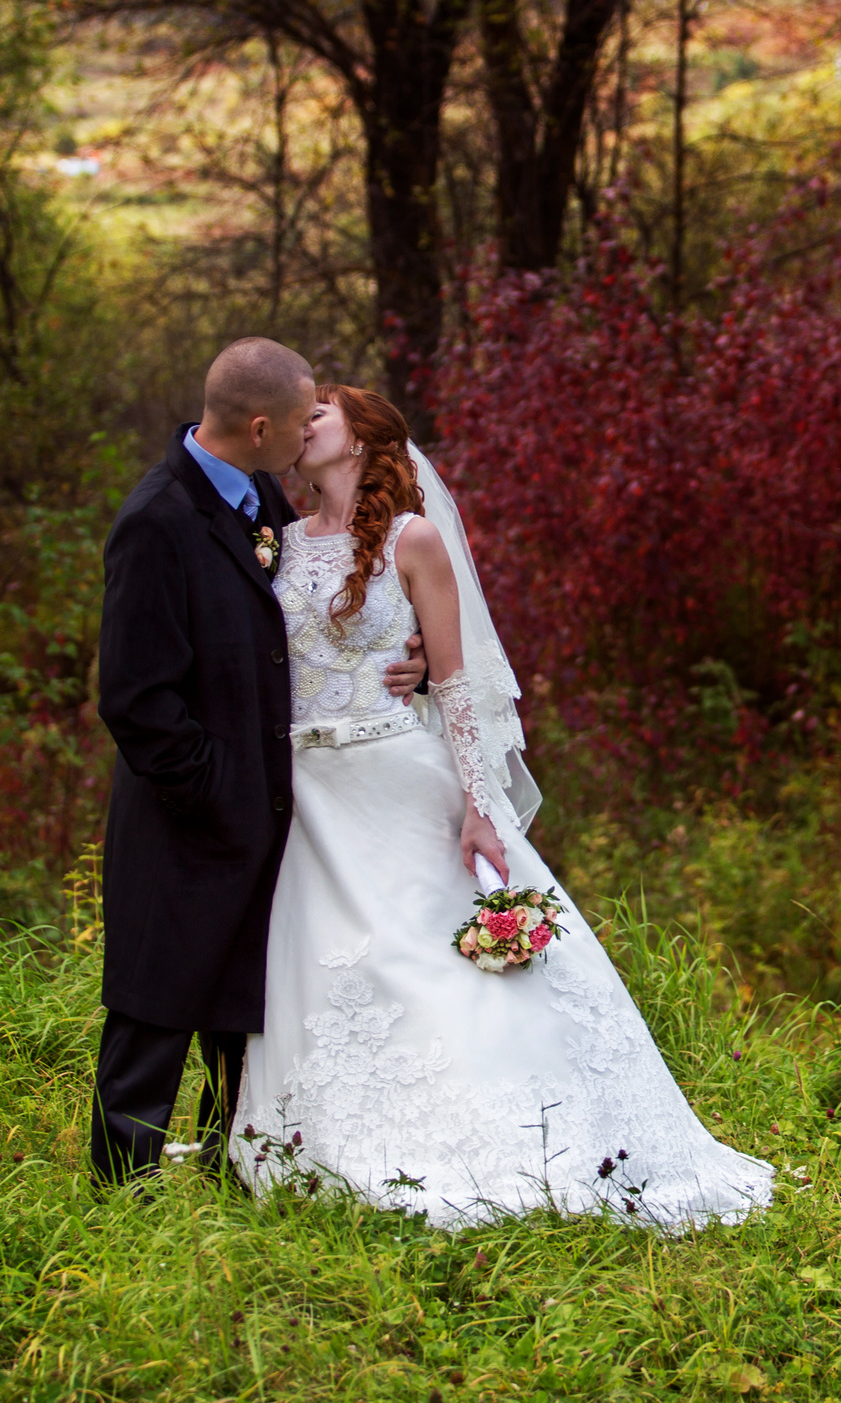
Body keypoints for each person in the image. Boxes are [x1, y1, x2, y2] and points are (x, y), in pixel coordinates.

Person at [228, 384, 772, 1229]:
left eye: (320, 414)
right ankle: (323, 1147)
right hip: (310, 793)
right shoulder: (280, 543)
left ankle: (518, 1137)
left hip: (397, 779)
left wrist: (482, 806)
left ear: (365, 438)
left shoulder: (414, 539)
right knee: (338, 967)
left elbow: (453, 682)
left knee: (439, 963)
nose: (303, 426)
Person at [88, 339, 426, 1185]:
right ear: (262, 424)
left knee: (249, 1011)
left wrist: (406, 658)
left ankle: (238, 1170)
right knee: (155, 1008)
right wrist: (219, 789)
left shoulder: (260, 501)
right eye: (303, 417)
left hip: (269, 810)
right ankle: (113, 1195)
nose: (310, 432)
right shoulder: (157, 520)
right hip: (186, 814)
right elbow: (136, 701)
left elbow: (301, 628)